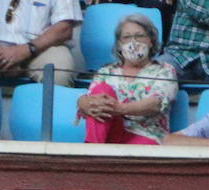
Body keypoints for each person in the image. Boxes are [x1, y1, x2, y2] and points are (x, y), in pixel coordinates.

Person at [76, 13, 177, 145]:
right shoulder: (107, 71)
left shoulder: (164, 70)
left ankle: (92, 158)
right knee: (101, 90)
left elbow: (156, 104)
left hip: (146, 136)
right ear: (119, 44)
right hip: (109, 133)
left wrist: (120, 109)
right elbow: (91, 101)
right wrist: (82, 102)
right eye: (127, 37)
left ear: (151, 41)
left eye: (139, 36)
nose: (133, 42)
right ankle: (93, 154)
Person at [0, 0, 81, 87]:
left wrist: (27, 50)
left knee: (60, 72)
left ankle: (54, 118)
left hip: (43, 46)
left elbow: (64, 28)